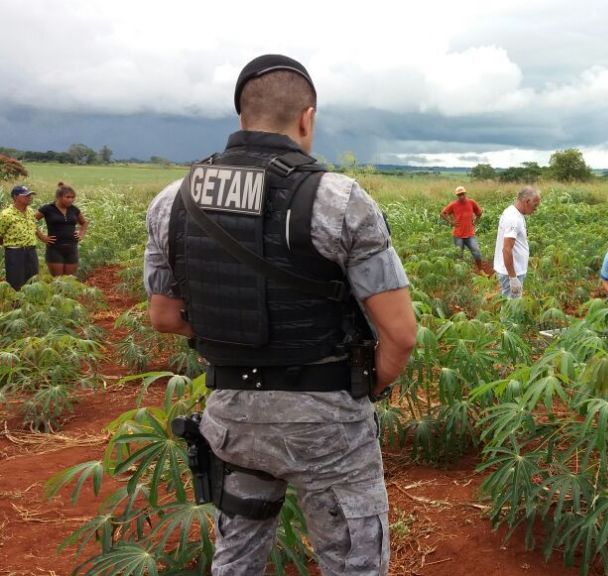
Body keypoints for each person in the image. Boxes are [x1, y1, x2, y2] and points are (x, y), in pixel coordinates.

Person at [142, 54, 416, 576]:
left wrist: (240, 332)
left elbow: (164, 315)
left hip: (233, 416)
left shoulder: (171, 201)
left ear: (242, 116)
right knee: (353, 562)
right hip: (327, 423)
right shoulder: (338, 199)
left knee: (238, 557)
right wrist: (368, 385)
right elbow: (400, 333)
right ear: (307, 117)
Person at [494, 186, 541, 298]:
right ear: (527, 201)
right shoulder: (513, 218)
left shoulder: (515, 213)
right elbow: (507, 249)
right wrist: (513, 278)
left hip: (513, 271)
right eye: (535, 205)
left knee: (511, 307)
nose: (536, 209)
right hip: (510, 273)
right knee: (512, 310)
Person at [36, 182, 88, 277]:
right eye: (67, 197)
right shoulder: (47, 209)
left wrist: (81, 234)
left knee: (70, 281)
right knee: (58, 281)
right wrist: (42, 237)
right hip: (54, 249)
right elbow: (30, 221)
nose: (71, 200)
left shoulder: (74, 209)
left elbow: (84, 223)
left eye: (73, 197)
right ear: (58, 197)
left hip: (72, 249)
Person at [0, 185, 47, 290]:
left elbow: (34, 226)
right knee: (16, 282)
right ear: (15, 197)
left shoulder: (30, 211)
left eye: (30, 195)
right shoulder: (6, 215)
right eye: (26, 195)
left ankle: (30, 304)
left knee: (32, 281)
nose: (29, 197)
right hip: (15, 253)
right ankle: (16, 305)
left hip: (31, 251)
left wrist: (43, 238)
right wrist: (10, 246)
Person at [440, 185, 483, 269]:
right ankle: (461, 273)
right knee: (459, 255)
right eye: (459, 195)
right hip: (458, 235)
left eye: (462, 194)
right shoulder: (453, 204)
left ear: (465, 193)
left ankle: (480, 269)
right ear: (457, 195)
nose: (461, 196)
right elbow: (442, 213)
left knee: (476, 251)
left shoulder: (471, 202)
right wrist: (451, 222)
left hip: (470, 234)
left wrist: (476, 222)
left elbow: (479, 212)